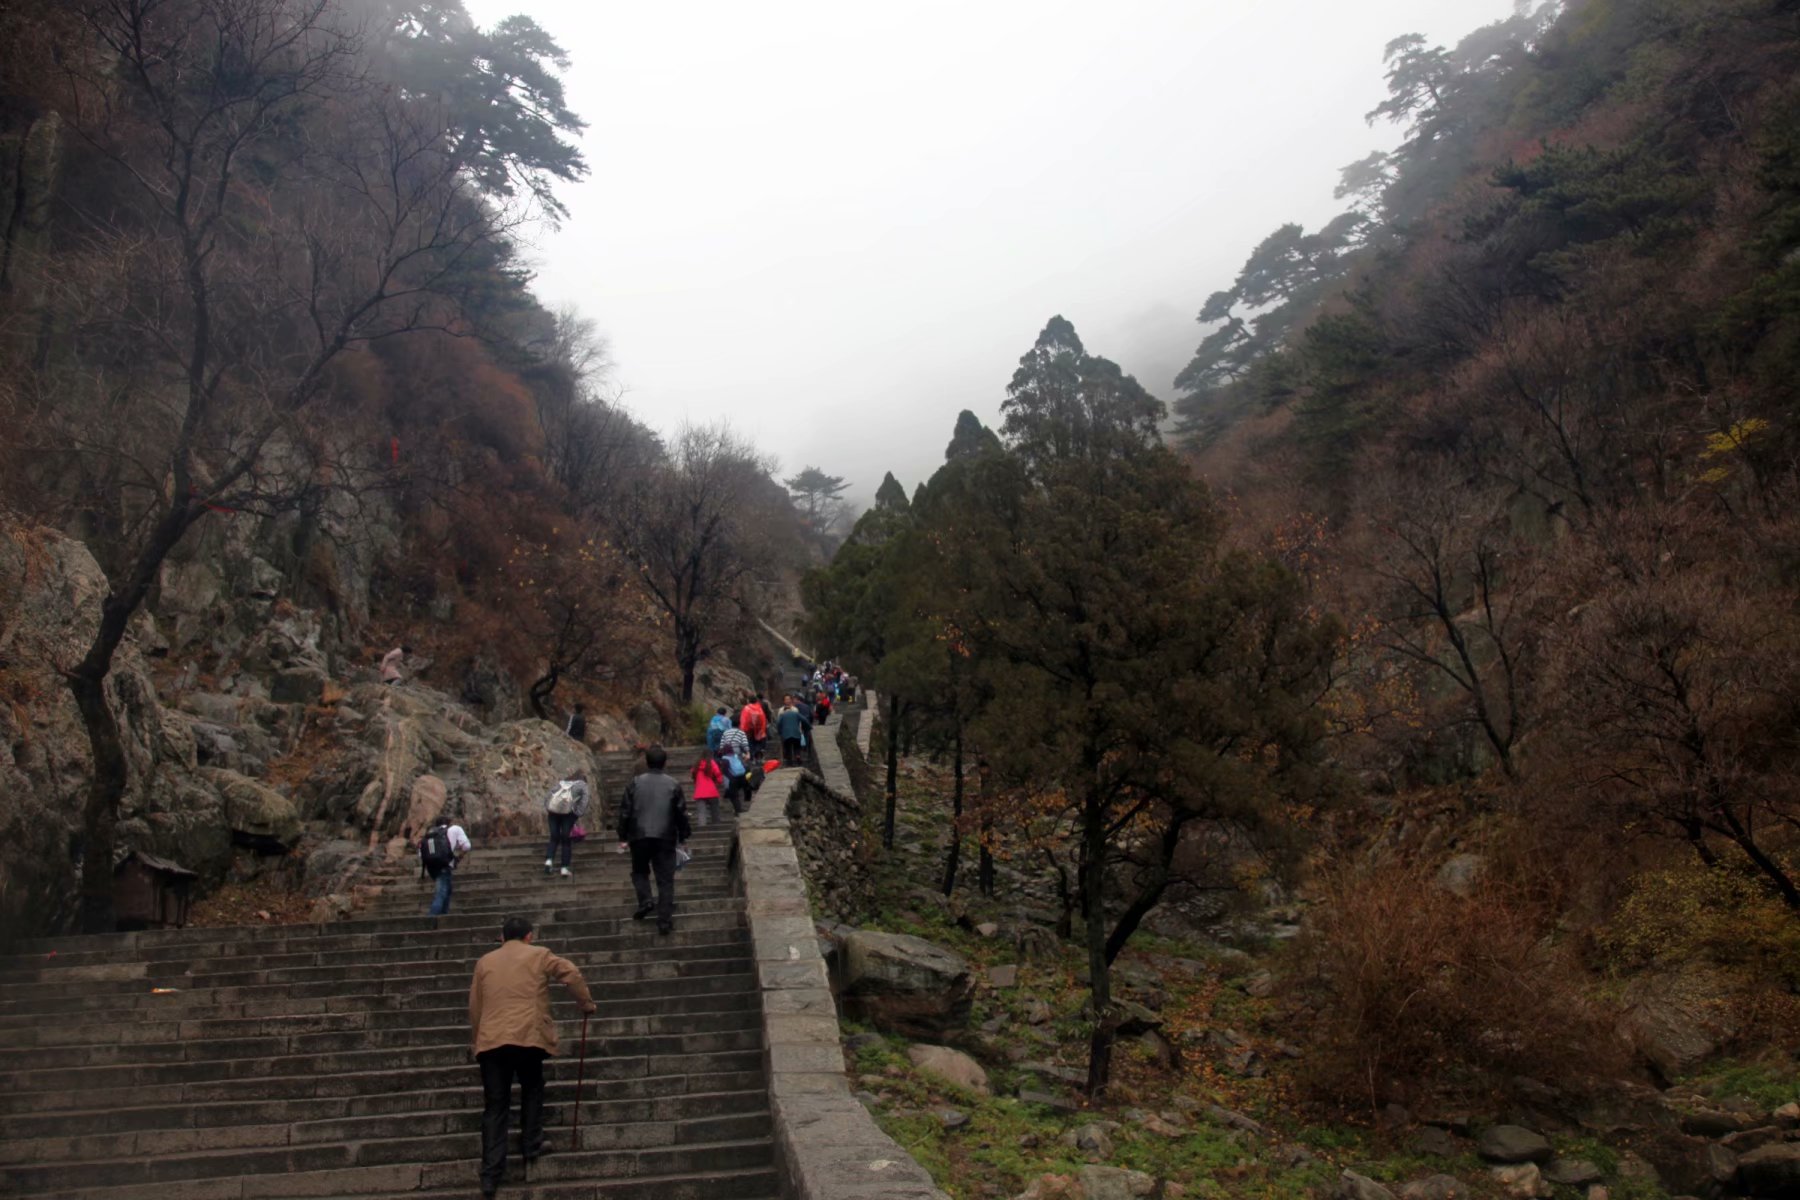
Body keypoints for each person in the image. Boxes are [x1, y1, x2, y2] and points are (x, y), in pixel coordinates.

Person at [468, 916, 597, 1198]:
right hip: (528, 1037)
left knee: (495, 1106)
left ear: (502, 938)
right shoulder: (540, 955)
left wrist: (479, 1039)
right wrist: (585, 1003)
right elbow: (571, 973)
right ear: (529, 936)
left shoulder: (485, 962)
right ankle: (531, 1143)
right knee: (532, 1088)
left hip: (492, 1041)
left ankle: (490, 1174)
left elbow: (475, 1005)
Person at [618, 744, 691, 934]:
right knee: (665, 879)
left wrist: (622, 835)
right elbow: (681, 813)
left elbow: (625, 812)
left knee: (640, 871)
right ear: (665, 762)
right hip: (665, 836)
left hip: (639, 835)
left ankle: (645, 900)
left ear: (647, 761)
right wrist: (684, 835)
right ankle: (664, 921)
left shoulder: (634, 783)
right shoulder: (673, 784)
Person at [420, 812, 472, 916]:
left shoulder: (430, 834)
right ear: (449, 822)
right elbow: (466, 846)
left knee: (447, 889)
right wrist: (458, 858)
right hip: (444, 865)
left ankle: (444, 914)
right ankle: (431, 917)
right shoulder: (454, 829)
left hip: (431, 867)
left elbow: (420, 853)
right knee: (442, 891)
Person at [543, 771, 590, 878]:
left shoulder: (561, 783)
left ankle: (549, 861)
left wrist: (549, 808)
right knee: (566, 840)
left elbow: (548, 796)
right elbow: (584, 801)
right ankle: (564, 868)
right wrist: (576, 814)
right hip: (568, 814)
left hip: (553, 813)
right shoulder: (582, 785)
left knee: (554, 837)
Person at [690, 751, 726, 826]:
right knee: (715, 812)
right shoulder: (711, 763)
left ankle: (702, 829)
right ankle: (716, 827)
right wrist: (719, 782)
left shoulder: (696, 764)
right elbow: (718, 773)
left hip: (699, 792)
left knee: (701, 813)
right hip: (711, 791)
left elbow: (693, 774)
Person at [775, 695, 805, 767]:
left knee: (791, 746)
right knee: (789, 747)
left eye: (788, 699)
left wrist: (800, 729)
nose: (787, 701)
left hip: (791, 731)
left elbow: (799, 721)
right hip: (786, 731)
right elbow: (779, 721)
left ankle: (791, 761)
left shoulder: (795, 709)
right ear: (784, 701)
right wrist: (780, 731)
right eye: (786, 699)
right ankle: (795, 758)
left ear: (791, 700)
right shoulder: (781, 710)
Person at [738, 696, 767, 761]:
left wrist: (743, 729)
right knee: (758, 743)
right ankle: (758, 753)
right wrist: (763, 729)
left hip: (749, 730)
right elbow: (763, 719)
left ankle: (752, 758)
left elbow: (744, 719)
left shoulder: (746, 708)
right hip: (758, 729)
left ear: (749, 701)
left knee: (750, 743)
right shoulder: (759, 708)